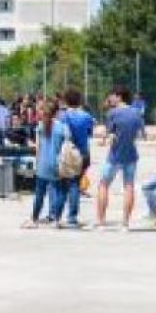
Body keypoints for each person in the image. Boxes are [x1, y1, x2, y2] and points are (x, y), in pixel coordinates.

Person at [95, 86, 145, 231]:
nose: (110, 99)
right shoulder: (136, 113)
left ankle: (101, 222)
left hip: (115, 155)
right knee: (129, 186)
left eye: (112, 96)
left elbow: (110, 134)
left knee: (103, 185)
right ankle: (125, 223)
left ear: (119, 96)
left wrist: (104, 140)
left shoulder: (113, 113)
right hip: (131, 154)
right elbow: (141, 134)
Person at [55, 89, 95, 227]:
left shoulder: (62, 117)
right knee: (74, 185)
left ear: (66, 101)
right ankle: (72, 217)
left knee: (61, 186)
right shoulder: (86, 116)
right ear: (80, 101)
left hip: (65, 153)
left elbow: (60, 134)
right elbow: (90, 133)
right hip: (82, 153)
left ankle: (56, 216)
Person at [24, 101, 65, 228]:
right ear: (56, 113)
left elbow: (38, 148)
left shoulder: (40, 127)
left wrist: (37, 162)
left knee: (39, 193)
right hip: (56, 163)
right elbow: (66, 146)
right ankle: (54, 219)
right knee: (56, 191)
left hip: (43, 163)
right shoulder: (62, 127)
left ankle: (34, 218)